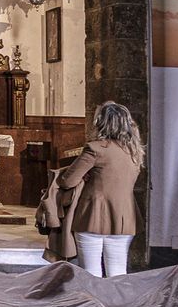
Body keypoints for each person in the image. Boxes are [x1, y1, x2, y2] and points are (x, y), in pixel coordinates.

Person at [58, 102, 143, 277]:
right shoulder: (134, 152)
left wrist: (83, 176)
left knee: (91, 272)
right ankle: (116, 296)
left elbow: (67, 181)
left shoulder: (95, 149)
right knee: (118, 272)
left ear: (101, 122)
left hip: (93, 215)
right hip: (124, 216)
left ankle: (93, 297)